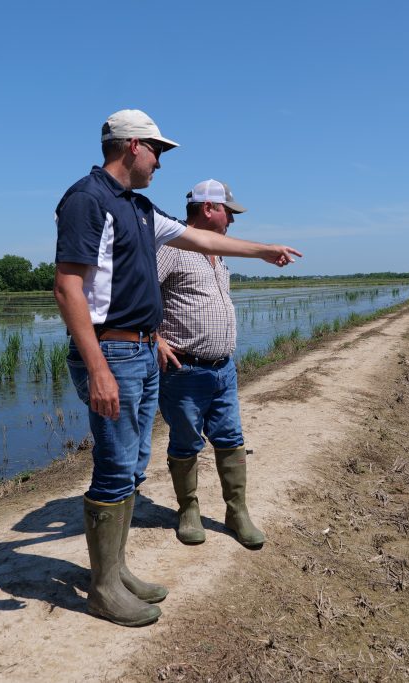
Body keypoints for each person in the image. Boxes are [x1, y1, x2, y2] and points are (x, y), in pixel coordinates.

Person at [54, 110, 301, 627]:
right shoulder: (87, 200)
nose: (160, 163)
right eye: (158, 151)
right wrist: (97, 366)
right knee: (116, 465)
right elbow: (68, 286)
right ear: (132, 147)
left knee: (135, 461)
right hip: (113, 352)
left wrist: (264, 250)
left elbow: (203, 240)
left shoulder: (139, 208)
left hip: (142, 352)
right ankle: (102, 588)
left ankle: (116, 570)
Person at [155, 180, 263, 549]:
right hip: (184, 370)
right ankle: (188, 510)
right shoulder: (172, 247)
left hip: (223, 368)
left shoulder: (220, 255)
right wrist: (154, 339)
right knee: (186, 443)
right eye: (228, 212)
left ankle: (237, 512)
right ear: (208, 209)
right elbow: (141, 293)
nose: (232, 220)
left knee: (231, 437)